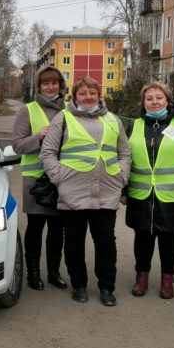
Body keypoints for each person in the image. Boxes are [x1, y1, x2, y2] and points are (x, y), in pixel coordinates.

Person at [39, 76, 131, 306]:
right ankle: (79, 285)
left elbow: (124, 153)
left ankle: (106, 287)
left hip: (106, 191)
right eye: (83, 93)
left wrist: (121, 177)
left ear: (99, 95)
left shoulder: (113, 120)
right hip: (73, 192)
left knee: (106, 243)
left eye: (92, 92)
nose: (88, 97)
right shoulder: (64, 118)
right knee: (74, 242)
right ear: (74, 96)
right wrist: (59, 178)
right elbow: (48, 153)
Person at [121, 82, 174, 299]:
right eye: (149, 98)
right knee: (142, 237)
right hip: (141, 193)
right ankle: (142, 276)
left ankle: (168, 278)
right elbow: (124, 159)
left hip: (172, 194)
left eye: (159, 97)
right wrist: (123, 189)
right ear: (143, 102)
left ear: (168, 100)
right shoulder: (135, 126)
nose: (155, 102)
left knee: (169, 238)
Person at [11, 66, 67, 291]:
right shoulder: (28, 110)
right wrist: (39, 137)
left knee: (57, 228)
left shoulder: (70, 110)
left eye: (54, 83)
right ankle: (33, 273)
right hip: (35, 180)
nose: (51, 87)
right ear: (38, 87)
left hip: (62, 179)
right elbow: (17, 145)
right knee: (35, 228)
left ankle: (54, 272)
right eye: (46, 83)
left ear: (61, 85)